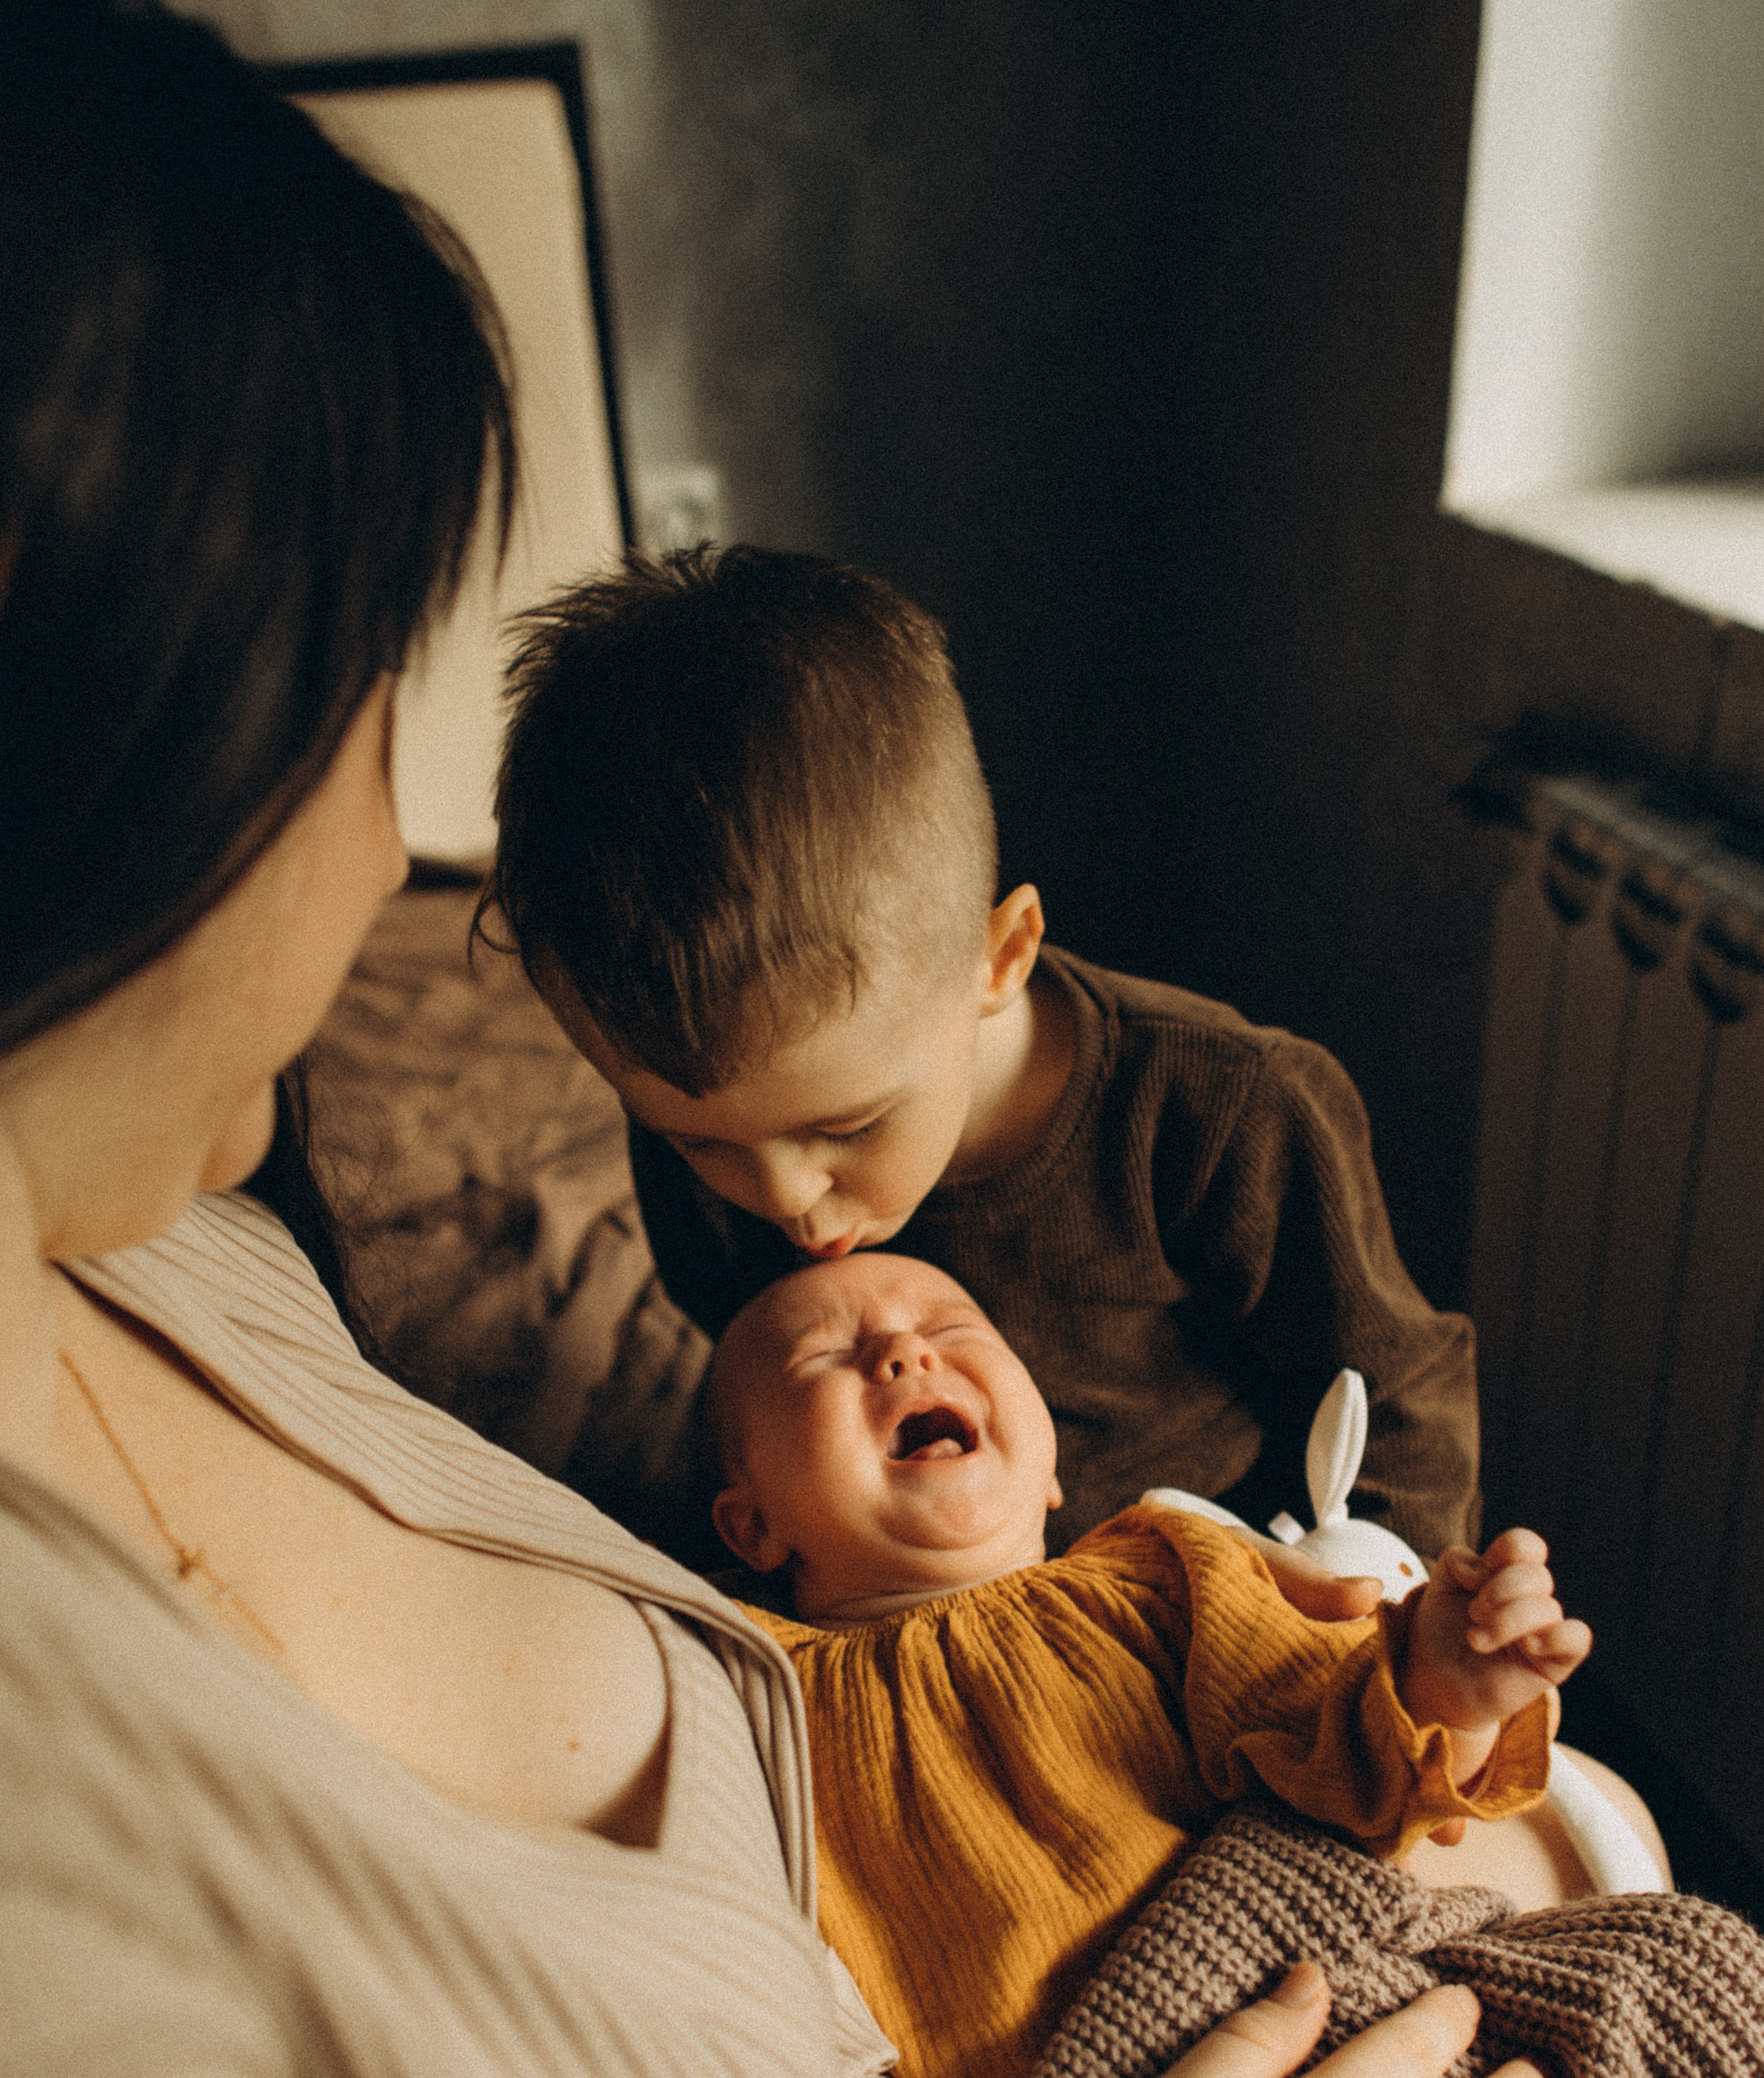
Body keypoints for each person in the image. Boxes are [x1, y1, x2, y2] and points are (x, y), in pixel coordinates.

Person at [1, 12, 1572, 2078]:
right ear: (143, 784)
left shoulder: (174, 1250)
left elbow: (1375, 1436)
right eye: (379, 700)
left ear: (996, 971)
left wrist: (1379, 1631)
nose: (790, 1235)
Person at [488, 543, 1480, 1566]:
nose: (784, 1200)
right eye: (699, 1145)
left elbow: (1398, 1405)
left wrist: (1385, 1629)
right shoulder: (707, 1112)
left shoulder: (1224, 1113)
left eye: (847, 1127)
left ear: (1000, 957)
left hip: (1218, 1611)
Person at [704, 1252, 1657, 2078]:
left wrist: (1445, 1694)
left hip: (1319, 2001)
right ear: (752, 1527)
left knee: (1682, 1986)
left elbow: (1342, 1770)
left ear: (1050, 1474)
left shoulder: (1167, 1571)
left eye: (951, 1329)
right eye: (822, 1359)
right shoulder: (747, 1671)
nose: (905, 1355)